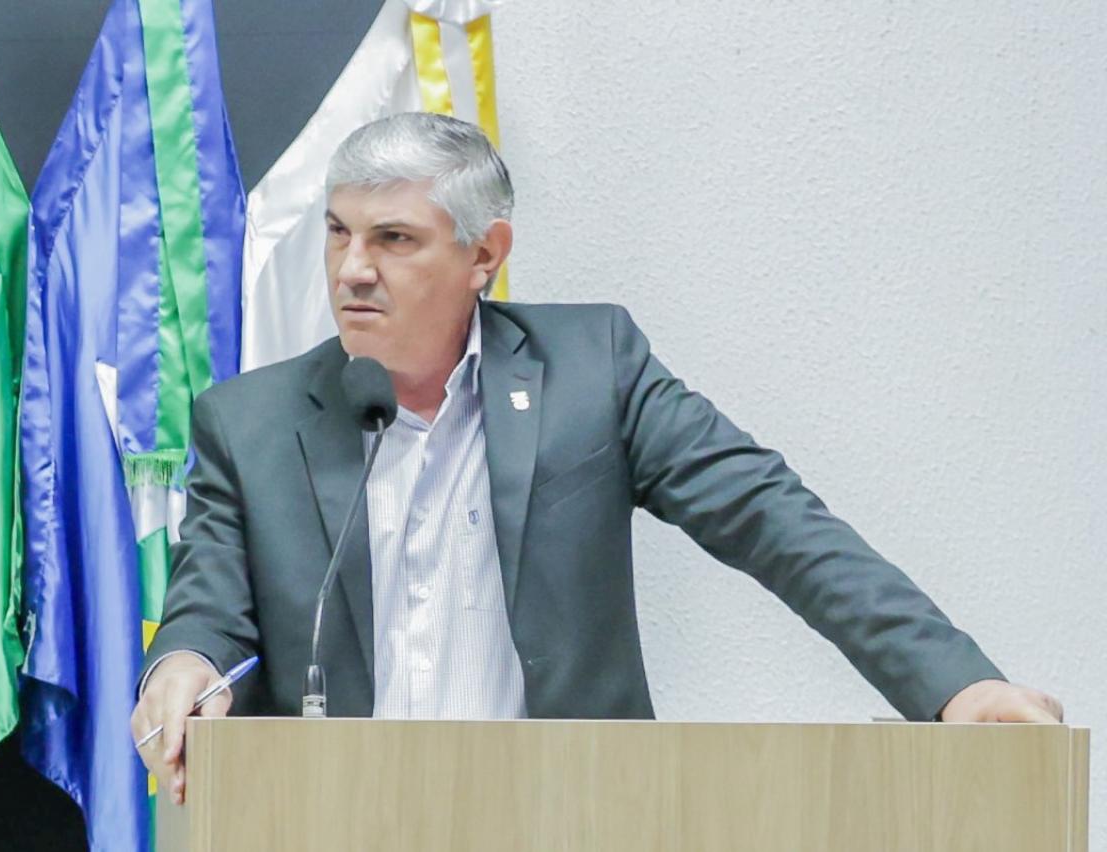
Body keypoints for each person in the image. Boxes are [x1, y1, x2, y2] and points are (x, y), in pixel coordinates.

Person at [131, 112, 1063, 805]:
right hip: (333, 819)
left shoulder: (592, 371)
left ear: (484, 254)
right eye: (338, 231)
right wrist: (183, 664)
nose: (351, 270)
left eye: (394, 239)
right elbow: (209, 606)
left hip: (568, 812)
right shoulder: (249, 422)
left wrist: (956, 684)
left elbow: (772, 517)